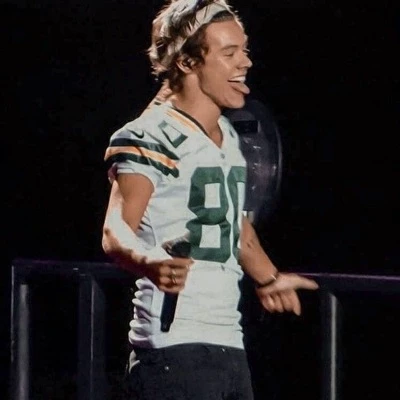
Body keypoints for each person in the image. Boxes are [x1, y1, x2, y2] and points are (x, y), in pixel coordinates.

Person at [101, 1, 319, 399]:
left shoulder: (228, 135)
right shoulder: (150, 135)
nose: (245, 62)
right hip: (173, 350)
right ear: (188, 62)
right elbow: (115, 229)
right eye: (229, 52)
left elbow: (235, 225)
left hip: (228, 343)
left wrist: (269, 279)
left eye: (244, 50)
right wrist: (148, 262)